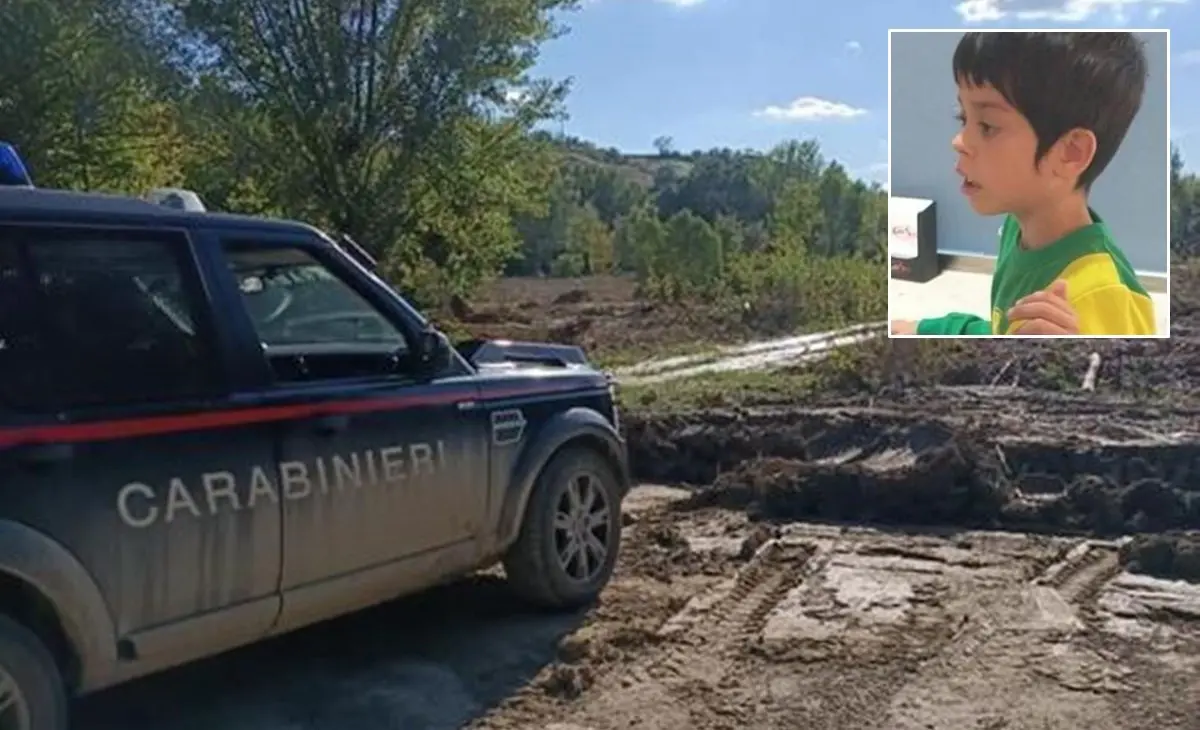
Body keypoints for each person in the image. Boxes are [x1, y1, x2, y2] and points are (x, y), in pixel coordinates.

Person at [891, 31, 1156, 337]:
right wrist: (924, 329)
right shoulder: (1017, 228)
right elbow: (1000, 331)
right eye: (963, 117)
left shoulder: (1101, 298)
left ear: (1071, 153)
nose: (958, 142)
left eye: (987, 126)